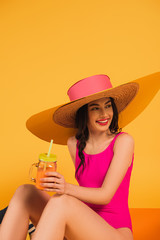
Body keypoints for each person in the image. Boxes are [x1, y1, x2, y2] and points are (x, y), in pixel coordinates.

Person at [0, 73, 159, 240]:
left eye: (108, 106)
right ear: (83, 113)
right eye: (95, 108)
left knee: (61, 201)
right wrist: (54, 186)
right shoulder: (74, 144)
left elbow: (105, 195)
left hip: (114, 233)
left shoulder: (123, 141)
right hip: (81, 229)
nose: (105, 114)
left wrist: (64, 188)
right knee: (26, 192)